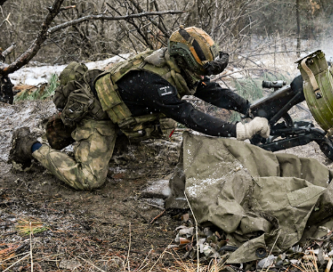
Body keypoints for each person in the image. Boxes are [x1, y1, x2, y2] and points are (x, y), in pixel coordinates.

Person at [8, 26, 270, 190]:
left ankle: (118, 142)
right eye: (202, 70)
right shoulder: (152, 83)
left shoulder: (177, 69)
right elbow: (187, 115)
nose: (203, 77)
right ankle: (30, 146)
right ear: (184, 60)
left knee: (152, 130)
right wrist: (240, 131)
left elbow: (211, 91)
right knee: (88, 179)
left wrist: (249, 107)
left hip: (123, 111)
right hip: (98, 117)